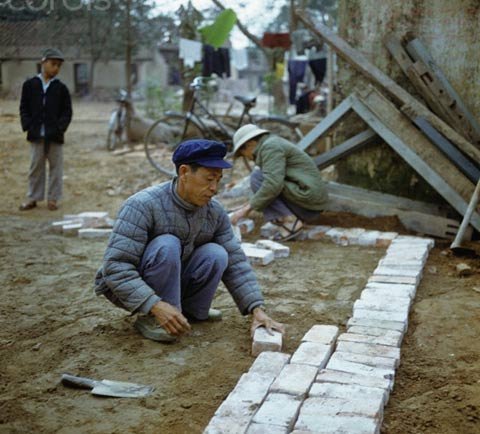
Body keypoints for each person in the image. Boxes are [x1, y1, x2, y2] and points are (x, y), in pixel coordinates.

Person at [94, 139, 285, 343]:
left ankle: (189, 311)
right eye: (208, 179)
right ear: (184, 172)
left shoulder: (214, 211)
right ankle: (153, 316)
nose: (214, 188)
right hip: (135, 290)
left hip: (175, 281)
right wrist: (154, 304)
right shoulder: (142, 205)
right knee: (167, 245)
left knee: (217, 253)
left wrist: (257, 309)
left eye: (218, 180)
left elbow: (235, 260)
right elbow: (116, 267)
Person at [230, 124, 328, 240]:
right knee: (260, 178)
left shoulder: (270, 147)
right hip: (308, 200)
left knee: (257, 178)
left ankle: (290, 222)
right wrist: (248, 205)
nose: (247, 158)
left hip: (309, 203)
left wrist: (244, 211)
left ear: (250, 144)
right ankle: (288, 220)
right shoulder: (271, 144)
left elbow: (273, 185)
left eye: (243, 153)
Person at [19, 48, 72, 211]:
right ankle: (33, 197)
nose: (56, 68)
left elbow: (67, 111)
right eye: (53, 64)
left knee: (56, 168)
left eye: (58, 66)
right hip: (36, 134)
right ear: (43, 63)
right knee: (36, 167)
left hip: (55, 135)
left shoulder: (61, 88)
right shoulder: (30, 85)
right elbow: (24, 107)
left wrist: (60, 128)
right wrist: (28, 124)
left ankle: (53, 199)